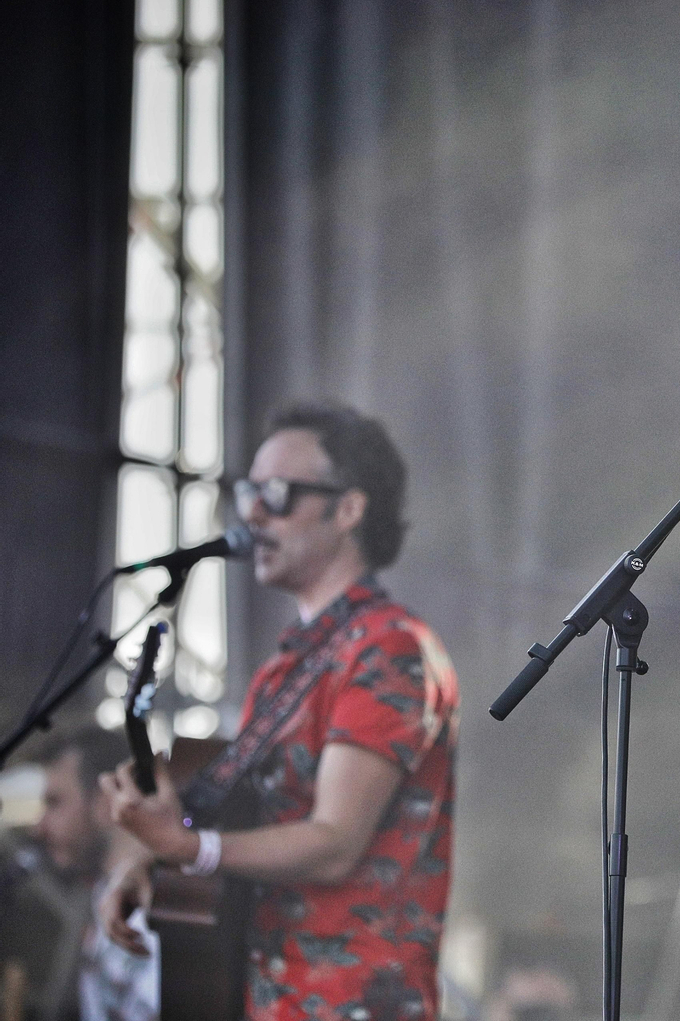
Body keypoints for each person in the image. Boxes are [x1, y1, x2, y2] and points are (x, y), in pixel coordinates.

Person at [99, 403, 460, 1021]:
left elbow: (334, 843)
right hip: (269, 995)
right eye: (250, 492)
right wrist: (146, 854)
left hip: (356, 1004)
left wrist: (192, 851)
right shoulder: (285, 668)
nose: (252, 512)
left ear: (348, 509)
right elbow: (239, 811)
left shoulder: (389, 647)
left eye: (277, 493)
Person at [7, 727, 158, 1021]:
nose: (39, 827)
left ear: (105, 800)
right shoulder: (101, 895)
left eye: (55, 802)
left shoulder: (159, 905)